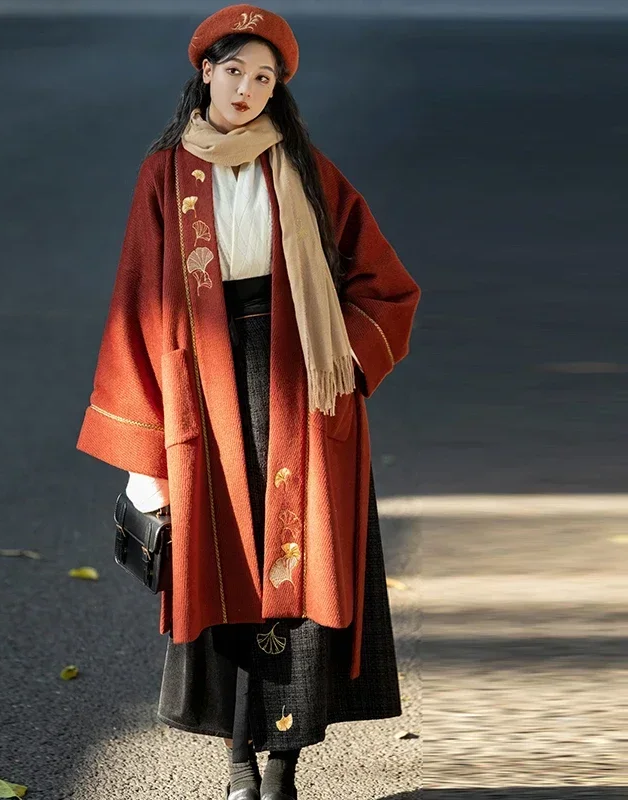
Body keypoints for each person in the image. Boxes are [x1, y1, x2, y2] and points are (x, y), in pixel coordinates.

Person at [76, 5, 421, 799]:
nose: (247, 88)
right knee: (224, 568)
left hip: (303, 389)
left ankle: (284, 766)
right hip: (204, 387)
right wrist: (143, 462)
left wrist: (350, 362)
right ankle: (236, 764)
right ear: (205, 71)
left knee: (298, 576)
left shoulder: (303, 168)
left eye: (264, 77)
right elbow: (136, 306)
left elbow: (387, 286)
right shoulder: (163, 174)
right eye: (235, 70)